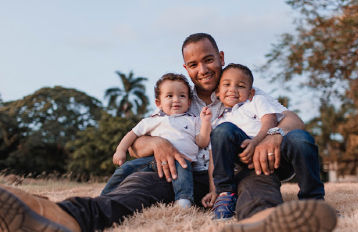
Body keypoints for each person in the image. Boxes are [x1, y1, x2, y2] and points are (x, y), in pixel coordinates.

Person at [0, 33, 336, 232]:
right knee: (135, 189)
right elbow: (139, 140)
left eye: (208, 60)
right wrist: (155, 142)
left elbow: (291, 118)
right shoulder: (176, 100)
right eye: (193, 64)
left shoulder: (240, 89)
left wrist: (274, 134)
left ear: (220, 57)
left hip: (232, 171)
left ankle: (263, 220)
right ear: (185, 68)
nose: (202, 69)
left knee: (257, 179)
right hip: (181, 171)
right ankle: (60, 217)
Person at [100, 73, 212, 209]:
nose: (176, 100)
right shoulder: (153, 119)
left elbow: (202, 142)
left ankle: (183, 201)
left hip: (182, 160)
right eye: (169, 96)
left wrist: (206, 123)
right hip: (153, 160)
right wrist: (120, 150)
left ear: (189, 102)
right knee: (126, 168)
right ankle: (104, 196)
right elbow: (132, 134)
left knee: (183, 172)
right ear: (158, 103)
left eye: (182, 96)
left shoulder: (193, 120)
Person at [206, 63, 286, 219]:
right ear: (217, 92)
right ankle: (225, 194)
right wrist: (214, 189)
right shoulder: (217, 122)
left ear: (251, 92)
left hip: (262, 155)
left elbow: (269, 120)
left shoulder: (255, 102)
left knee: (259, 193)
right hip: (239, 163)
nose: (233, 89)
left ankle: (264, 216)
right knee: (223, 130)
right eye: (227, 84)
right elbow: (213, 159)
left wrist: (256, 141)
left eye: (240, 86)